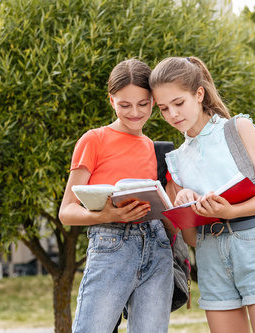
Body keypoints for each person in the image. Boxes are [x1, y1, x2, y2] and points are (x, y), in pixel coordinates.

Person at [149, 56, 255, 333]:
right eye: (163, 108)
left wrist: (231, 211)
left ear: (199, 94)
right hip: (209, 255)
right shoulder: (176, 160)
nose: (172, 115)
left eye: (178, 103)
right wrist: (187, 203)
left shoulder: (238, 128)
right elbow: (191, 239)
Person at [58, 59, 174, 333]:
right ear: (111, 101)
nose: (134, 112)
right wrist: (109, 214)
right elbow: (66, 211)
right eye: (124, 105)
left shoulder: (157, 150)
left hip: (158, 249)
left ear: (154, 101)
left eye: (143, 104)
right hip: (111, 244)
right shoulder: (94, 140)